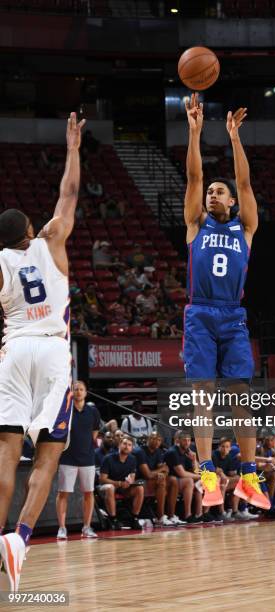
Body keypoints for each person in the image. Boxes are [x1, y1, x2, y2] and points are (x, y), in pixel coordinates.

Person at [0, 112, 86, 592]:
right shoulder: (52, 239)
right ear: (29, 227)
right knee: (48, 455)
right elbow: (69, 193)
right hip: (53, 351)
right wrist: (73, 147)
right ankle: (21, 539)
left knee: (6, 452)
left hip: (13, 350)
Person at [182, 93, 269, 511]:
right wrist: (195, 132)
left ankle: (250, 477)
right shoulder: (195, 223)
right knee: (203, 395)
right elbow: (193, 180)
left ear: (231, 202)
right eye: (212, 191)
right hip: (200, 312)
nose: (213, 194)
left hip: (232, 316)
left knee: (240, 396)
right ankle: (207, 473)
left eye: (221, 192)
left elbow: (246, 183)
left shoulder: (245, 228)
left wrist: (235, 139)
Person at [56, 380, 100, 539]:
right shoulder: (66, 410)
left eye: (82, 389)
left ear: (86, 392)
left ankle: (87, 527)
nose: (79, 392)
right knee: (63, 493)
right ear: (72, 392)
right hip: (67, 457)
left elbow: (95, 432)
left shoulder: (93, 411)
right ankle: (62, 528)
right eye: (76, 389)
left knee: (89, 493)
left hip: (87, 458)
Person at [99, 436, 143, 530]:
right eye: (124, 444)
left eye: (129, 445)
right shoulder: (108, 458)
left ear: (132, 448)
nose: (126, 446)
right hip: (105, 487)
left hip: (123, 487)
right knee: (110, 487)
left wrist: (129, 482)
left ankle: (134, 519)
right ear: (119, 445)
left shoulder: (132, 459)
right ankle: (113, 519)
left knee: (140, 488)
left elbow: (132, 476)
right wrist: (119, 483)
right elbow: (102, 479)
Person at [135, 432, 175, 526]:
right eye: (154, 438)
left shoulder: (158, 452)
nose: (157, 441)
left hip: (150, 480)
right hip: (137, 481)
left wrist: (162, 473)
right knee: (161, 482)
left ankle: (171, 515)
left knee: (173, 481)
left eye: (159, 440)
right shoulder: (140, 452)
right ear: (148, 439)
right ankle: (160, 517)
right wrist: (161, 470)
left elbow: (166, 470)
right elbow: (147, 474)